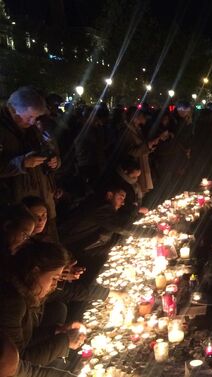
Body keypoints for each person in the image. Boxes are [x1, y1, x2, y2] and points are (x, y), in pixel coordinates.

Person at [0, 241, 85, 366]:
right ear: (35, 272)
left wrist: (57, 330)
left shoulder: (25, 290)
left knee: (58, 309)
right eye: (54, 278)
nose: (55, 285)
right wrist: (65, 342)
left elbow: (25, 339)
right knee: (60, 365)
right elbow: (17, 363)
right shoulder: (12, 303)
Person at [0, 87, 60, 242]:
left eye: (36, 117)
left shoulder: (33, 130)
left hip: (43, 200)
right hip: (18, 208)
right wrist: (21, 163)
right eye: (30, 116)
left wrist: (54, 161)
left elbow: (48, 151)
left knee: (49, 244)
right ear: (12, 109)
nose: (33, 121)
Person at [58, 183, 132, 284]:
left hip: (68, 249)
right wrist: (153, 234)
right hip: (61, 243)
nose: (123, 203)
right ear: (110, 195)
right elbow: (121, 227)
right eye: (121, 198)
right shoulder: (101, 208)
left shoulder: (105, 211)